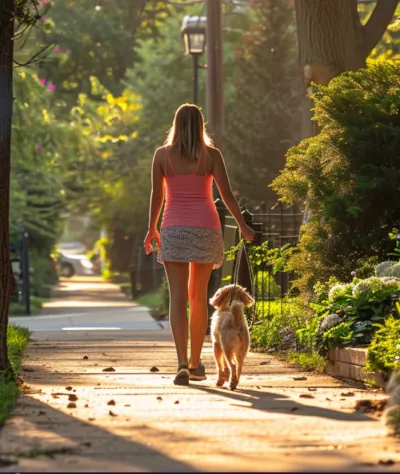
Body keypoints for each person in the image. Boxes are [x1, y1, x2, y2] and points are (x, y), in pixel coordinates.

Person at [144, 103, 255, 386]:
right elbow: (227, 194)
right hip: (206, 228)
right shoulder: (211, 156)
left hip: (174, 228)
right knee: (197, 298)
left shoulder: (161, 156)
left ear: (176, 125)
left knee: (178, 299)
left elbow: (157, 197)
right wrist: (242, 224)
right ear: (201, 125)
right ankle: (195, 364)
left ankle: (181, 363)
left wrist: (151, 229)